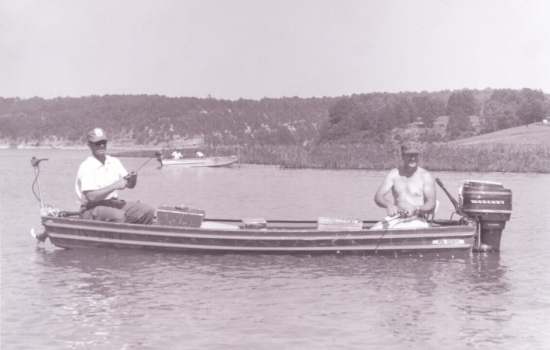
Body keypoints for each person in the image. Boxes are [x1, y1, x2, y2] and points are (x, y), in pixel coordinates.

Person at [75, 127, 155, 224]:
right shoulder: (86, 166)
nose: (101, 146)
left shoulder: (114, 161)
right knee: (118, 216)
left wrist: (133, 178)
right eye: (97, 143)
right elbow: (91, 197)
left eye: (103, 143)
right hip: (91, 208)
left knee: (147, 211)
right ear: (89, 145)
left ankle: (137, 237)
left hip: (112, 203)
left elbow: (130, 185)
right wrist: (115, 186)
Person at [372, 141, 436, 229]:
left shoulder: (426, 176)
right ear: (402, 156)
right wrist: (389, 205)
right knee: (373, 230)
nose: (412, 158)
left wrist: (416, 209)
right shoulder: (394, 174)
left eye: (415, 155)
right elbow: (378, 196)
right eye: (409, 155)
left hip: (417, 220)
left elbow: (431, 203)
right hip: (396, 219)